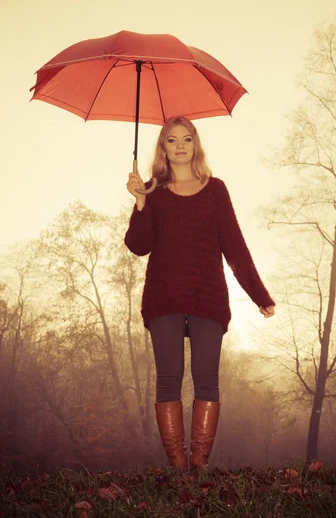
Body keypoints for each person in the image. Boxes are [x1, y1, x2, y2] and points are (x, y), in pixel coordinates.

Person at [124, 117, 275, 471]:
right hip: (164, 299)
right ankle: (178, 466)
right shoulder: (152, 191)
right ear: (163, 148)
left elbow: (234, 246)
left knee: (207, 379)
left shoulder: (216, 190)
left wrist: (259, 295)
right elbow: (138, 246)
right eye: (172, 140)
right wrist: (140, 202)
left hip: (208, 298)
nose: (180, 146)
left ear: (195, 145)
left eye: (186, 139)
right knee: (169, 378)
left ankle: (200, 463)